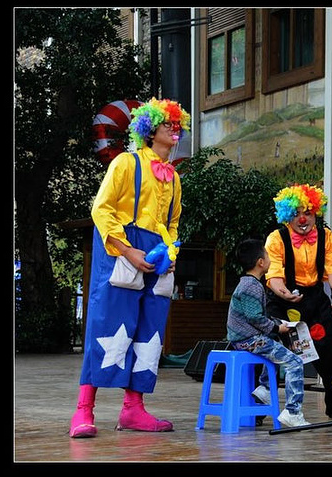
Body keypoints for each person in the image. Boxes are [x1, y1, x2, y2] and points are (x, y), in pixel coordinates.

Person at [69, 98, 190, 438]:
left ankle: (133, 409)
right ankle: (83, 410)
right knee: (107, 325)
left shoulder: (174, 179)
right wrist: (126, 250)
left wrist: (170, 255)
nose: (174, 128)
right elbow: (102, 210)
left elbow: (173, 223)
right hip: (122, 247)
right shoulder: (126, 163)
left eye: (177, 123)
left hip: (157, 256)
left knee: (148, 332)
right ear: (149, 131)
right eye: (167, 123)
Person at [265, 184, 332, 420]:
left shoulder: (327, 238)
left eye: (307, 212)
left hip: (316, 301)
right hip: (283, 302)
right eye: (296, 213)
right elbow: (274, 276)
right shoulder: (277, 239)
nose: (303, 218)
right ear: (288, 216)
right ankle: (257, 411)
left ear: (316, 212)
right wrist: (285, 293)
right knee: (271, 356)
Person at [227, 238, 310, 428]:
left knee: (277, 345)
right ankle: (293, 411)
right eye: (266, 254)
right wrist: (276, 327)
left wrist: (278, 324)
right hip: (248, 340)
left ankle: (264, 388)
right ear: (260, 262)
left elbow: (257, 316)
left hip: (248, 338)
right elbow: (255, 318)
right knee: (295, 362)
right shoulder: (251, 286)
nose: (269, 257)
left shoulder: (249, 284)